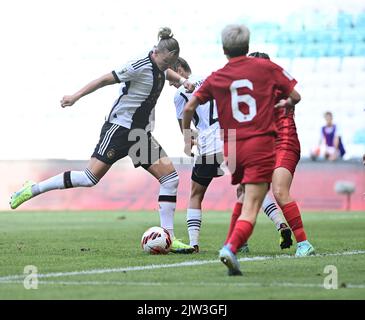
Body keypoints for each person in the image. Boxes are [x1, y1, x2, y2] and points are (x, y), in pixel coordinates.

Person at [10, 27, 195, 254]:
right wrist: (75, 97)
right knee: (89, 178)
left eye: (171, 64)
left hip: (139, 135)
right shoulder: (137, 65)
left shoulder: (162, 66)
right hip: (119, 129)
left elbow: (165, 73)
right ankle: (34, 188)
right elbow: (104, 79)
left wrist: (182, 80)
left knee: (170, 178)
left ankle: (170, 237)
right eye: (166, 61)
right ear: (156, 52)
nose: (167, 67)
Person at [182, 24, 302, 276]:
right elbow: (296, 96)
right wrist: (284, 103)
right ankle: (231, 247)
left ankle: (232, 247)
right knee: (252, 204)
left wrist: (186, 135)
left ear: (224, 49)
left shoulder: (218, 76)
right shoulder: (266, 68)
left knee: (242, 195)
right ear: (247, 46)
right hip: (260, 143)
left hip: (233, 145)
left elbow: (188, 108)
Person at [171, 57, 292, 253]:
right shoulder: (213, 78)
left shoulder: (179, 93)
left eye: (171, 77)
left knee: (195, 194)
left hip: (209, 144)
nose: (169, 82)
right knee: (249, 188)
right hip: (233, 140)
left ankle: (193, 243)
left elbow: (187, 121)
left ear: (179, 69)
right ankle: (280, 224)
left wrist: (188, 140)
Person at [247, 52, 314, 258]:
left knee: (279, 191)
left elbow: (296, 97)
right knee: (247, 189)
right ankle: (240, 240)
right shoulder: (253, 89)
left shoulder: (276, 81)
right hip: (267, 146)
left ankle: (304, 243)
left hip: (285, 141)